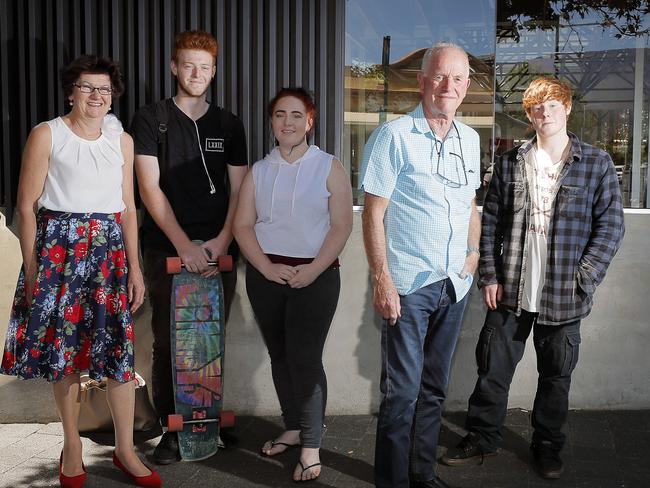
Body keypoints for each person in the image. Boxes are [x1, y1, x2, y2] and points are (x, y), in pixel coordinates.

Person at [440, 77, 625, 480]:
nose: (545, 114)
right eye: (536, 108)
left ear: (567, 108)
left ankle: (547, 446)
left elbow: (610, 226)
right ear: (528, 115)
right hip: (510, 289)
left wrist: (584, 277)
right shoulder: (510, 163)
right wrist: (488, 275)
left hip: (563, 294)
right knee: (492, 370)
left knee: (556, 377)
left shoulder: (596, 163)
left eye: (553, 105)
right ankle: (482, 437)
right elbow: (490, 223)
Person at [0, 55, 161, 488]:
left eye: (105, 89)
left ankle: (125, 449)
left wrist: (136, 269)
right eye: (87, 87)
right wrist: (34, 271)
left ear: (113, 96)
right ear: (70, 91)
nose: (96, 95)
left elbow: (128, 209)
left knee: (118, 356)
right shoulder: (46, 134)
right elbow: (25, 208)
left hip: (109, 252)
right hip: (59, 252)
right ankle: (72, 446)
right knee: (65, 354)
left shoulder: (122, 141)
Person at [359, 43, 481, 488]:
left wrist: (473, 255)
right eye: (440, 76)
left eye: (458, 78)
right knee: (402, 395)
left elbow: (470, 204)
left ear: (467, 86)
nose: (449, 86)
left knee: (434, 391)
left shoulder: (471, 139)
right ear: (422, 80)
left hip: (455, 284)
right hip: (409, 285)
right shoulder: (392, 136)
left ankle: (422, 474)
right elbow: (373, 215)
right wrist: (383, 281)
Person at [130, 30, 248, 465]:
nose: (196, 74)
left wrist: (219, 243)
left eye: (205, 67)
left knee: (210, 338)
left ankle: (207, 422)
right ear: (174, 67)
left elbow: (241, 191)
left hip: (220, 251)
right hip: (167, 248)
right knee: (169, 342)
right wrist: (185, 245)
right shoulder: (150, 119)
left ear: (213, 71)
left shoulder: (228, 124)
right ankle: (172, 428)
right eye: (188, 65)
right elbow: (149, 188)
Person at [233, 87, 352, 482]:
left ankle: (312, 444)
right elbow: (243, 225)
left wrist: (314, 269)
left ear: (310, 121)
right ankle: (293, 426)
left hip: (315, 277)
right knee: (280, 357)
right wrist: (265, 268)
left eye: (297, 115)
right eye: (280, 114)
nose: (288, 122)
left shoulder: (329, 165)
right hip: (267, 277)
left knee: (306, 359)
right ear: (271, 121)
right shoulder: (258, 170)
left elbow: (341, 225)